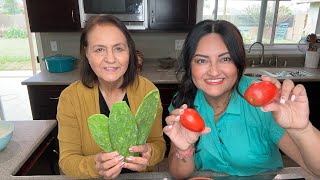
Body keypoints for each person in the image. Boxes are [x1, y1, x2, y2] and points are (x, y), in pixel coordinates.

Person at [163, 19, 320, 179]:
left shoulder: (266, 103)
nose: (214, 72)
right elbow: (179, 174)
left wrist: (302, 130)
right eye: (202, 60)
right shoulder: (183, 101)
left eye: (225, 59)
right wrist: (184, 150)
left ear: (239, 63)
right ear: (190, 66)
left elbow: (316, 169)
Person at [56, 15, 166, 179]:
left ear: (129, 51)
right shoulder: (70, 98)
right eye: (99, 49)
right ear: (86, 53)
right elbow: (67, 160)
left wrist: (150, 153)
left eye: (118, 48)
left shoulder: (147, 91)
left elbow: (159, 144)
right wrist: (95, 166)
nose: (110, 59)